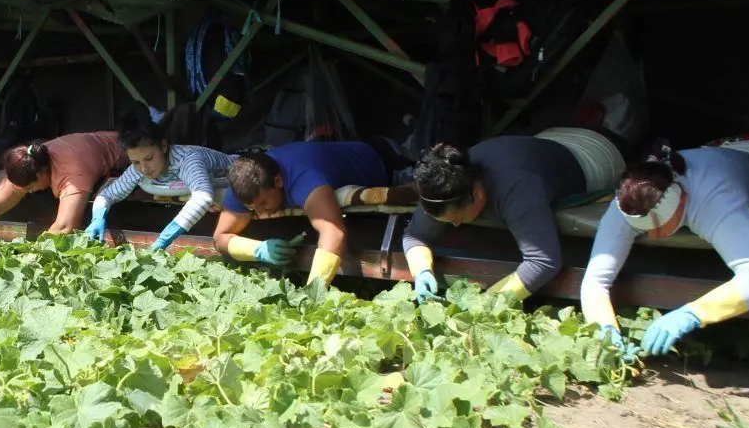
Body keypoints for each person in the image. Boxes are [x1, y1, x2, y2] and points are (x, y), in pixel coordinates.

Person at [581, 138, 749, 355]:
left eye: (661, 226)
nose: (654, 236)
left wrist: (692, 314)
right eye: (643, 228)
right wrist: (605, 330)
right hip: (717, 149)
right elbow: (595, 280)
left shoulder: (716, 201)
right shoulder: (628, 199)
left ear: (683, 200)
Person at [404, 128, 626, 302]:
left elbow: (544, 262)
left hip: (597, 155)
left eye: (456, 218)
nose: (454, 225)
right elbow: (415, 235)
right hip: (549, 140)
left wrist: (487, 304)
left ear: (477, 193)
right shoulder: (443, 182)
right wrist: (422, 271)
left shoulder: (517, 189)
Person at [215, 141, 408, 286]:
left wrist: (314, 290)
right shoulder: (244, 185)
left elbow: (334, 231)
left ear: (278, 181)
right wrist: (258, 250)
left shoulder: (306, 180)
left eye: (264, 203)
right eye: (251, 208)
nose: (258, 212)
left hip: (384, 157)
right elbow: (220, 238)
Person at [85, 107, 235, 251]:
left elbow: (203, 196)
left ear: (163, 146)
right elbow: (107, 195)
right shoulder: (139, 169)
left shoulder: (188, 159)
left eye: (149, 158)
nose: (144, 169)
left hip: (240, 179)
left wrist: (164, 239)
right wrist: (97, 218)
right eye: (135, 162)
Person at [0, 132, 128, 242]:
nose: (29, 192)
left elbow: (64, 227)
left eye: (30, 188)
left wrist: (30, 258)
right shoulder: (31, 159)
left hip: (129, 157)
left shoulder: (73, 174)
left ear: (40, 175)